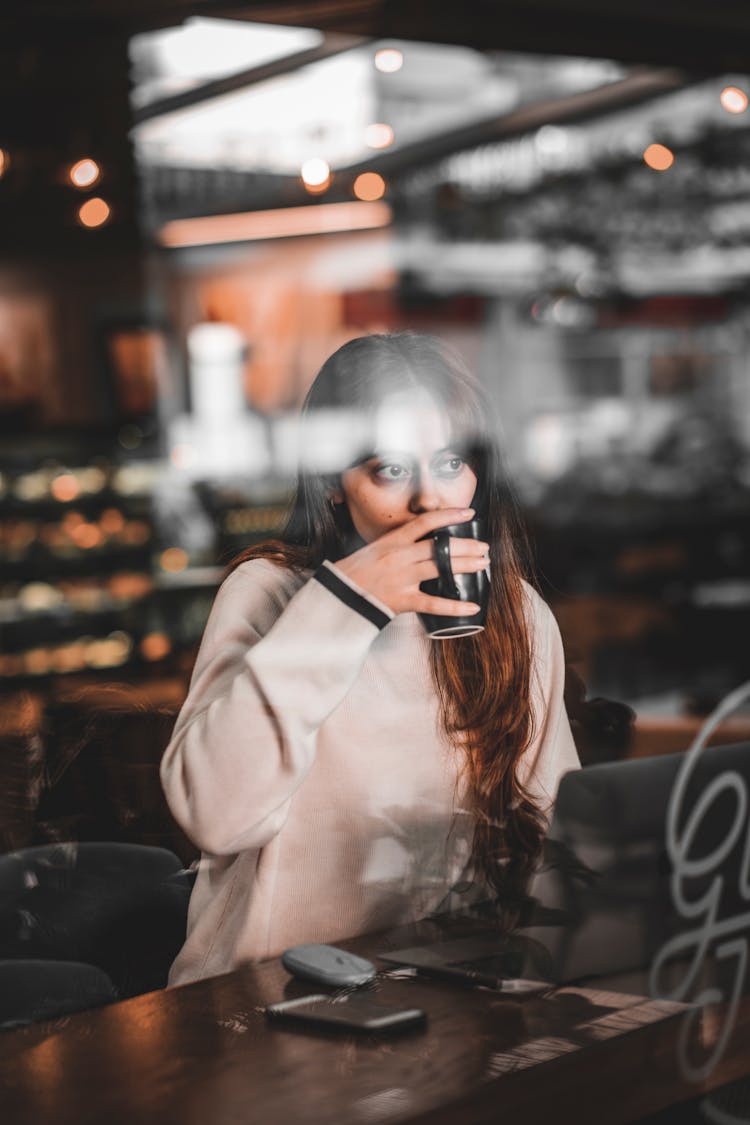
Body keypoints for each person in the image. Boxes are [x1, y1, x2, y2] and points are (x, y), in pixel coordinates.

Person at [160, 331, 580, 986]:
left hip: (435, 988)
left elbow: (556, 824)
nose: (429, 500)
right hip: (260, 995)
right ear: (334, 483)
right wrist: (349, 603)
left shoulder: (514, 614)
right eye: (390, 469)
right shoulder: (269, 594)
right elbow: (216, 817)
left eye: (449, 463)